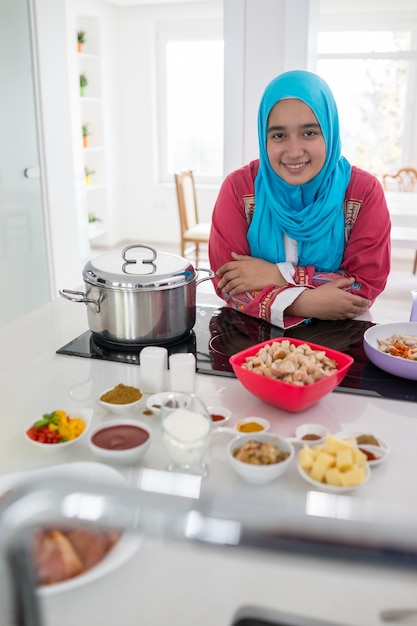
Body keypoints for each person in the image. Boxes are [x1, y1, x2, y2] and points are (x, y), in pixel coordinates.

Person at [208, 70, 391, 329]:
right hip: (254, 339)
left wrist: (276, 275)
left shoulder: (363, 192)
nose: (294, 152)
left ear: (329, 130)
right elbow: (228, 283)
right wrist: (302, 303)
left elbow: (362, 288)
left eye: (309, 133)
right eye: (279, 135)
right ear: (264, 138)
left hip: (341, 335)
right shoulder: (239, 189)